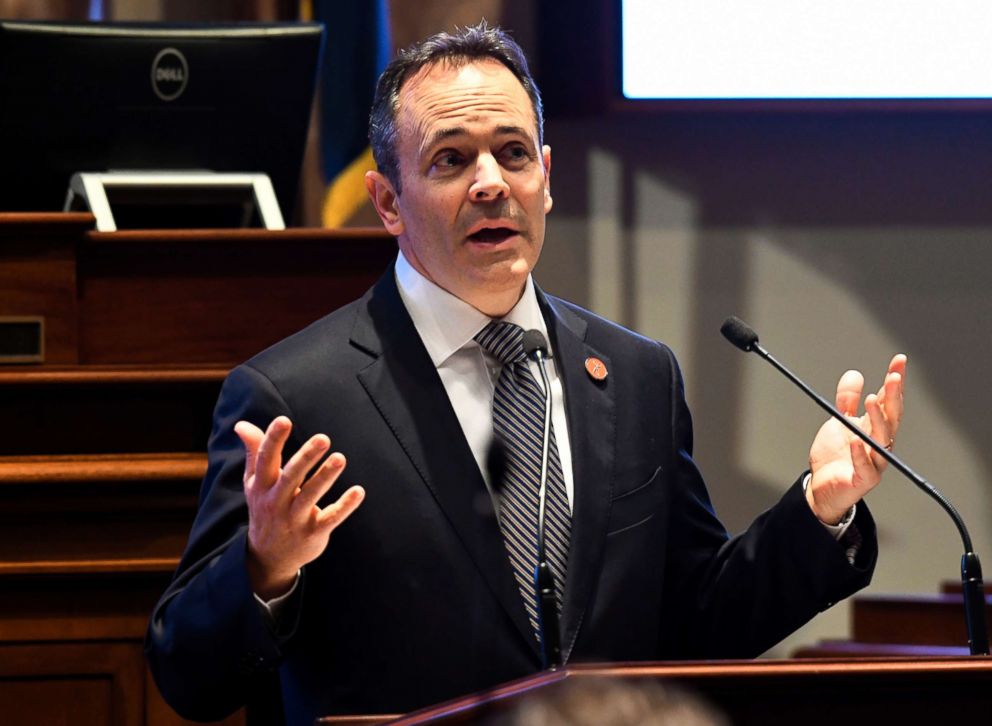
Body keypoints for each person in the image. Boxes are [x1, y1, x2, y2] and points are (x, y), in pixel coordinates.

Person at [145, 23, 906, 726]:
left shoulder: (639, 376)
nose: (489, 183)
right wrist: (265, 570)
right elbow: (189, 675)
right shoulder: (296, 396)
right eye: (450, 159)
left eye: (512, 153)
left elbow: (699, 622)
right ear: (386, 201)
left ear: (545, 177)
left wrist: (819, 512)